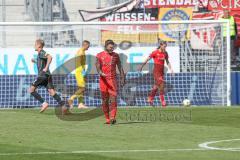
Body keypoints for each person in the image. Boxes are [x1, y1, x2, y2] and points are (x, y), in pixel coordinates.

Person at [29, 39, 65, 113]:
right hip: (47, 75)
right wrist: (35, 61)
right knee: (51, 91)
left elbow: (50, 57)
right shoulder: (39, 54)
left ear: (39, 45)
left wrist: (46, 67)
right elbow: (42, 63)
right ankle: (63, 106)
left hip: (42, 75)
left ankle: (44, 103)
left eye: (35, 44)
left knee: (31, 90)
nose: (34, 46)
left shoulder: (42, 52)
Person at [95, 40, 125, 124]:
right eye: (110, 47)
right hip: (103, 81)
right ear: (106, 46)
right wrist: (100, 72)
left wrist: (123, 77)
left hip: (112, 80)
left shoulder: (116, 55)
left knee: (113, 99)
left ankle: (112, 117)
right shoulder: (99, 55)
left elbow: (119, 66)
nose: (112, 49)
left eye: (113, 47)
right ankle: (107, 118)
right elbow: (97, 65)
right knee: (105, 100)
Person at [139, 41, 174, 107]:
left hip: (161, 72)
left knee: (156, 86)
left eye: (166, 46)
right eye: (164, 46)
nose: (165, 48)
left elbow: (167, 61)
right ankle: (163, 102)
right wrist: (141, 66)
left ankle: (150, 98)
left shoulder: (165, 53)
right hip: (156, 72)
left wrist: (171, 69)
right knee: (162, 85)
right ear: (160, 45)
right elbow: (147, 59)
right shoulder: (155, 52)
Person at [68, 40, 90, 109]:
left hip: (80, 71)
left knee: (81, 88)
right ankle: (71, 98)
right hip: (79, 72)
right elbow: (78, 61)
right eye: (88, 46)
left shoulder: (82, 51)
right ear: (85, 45)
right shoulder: (80, 52)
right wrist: (82, 72)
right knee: (82, 88)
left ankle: (80, 104)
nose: (88, 48)